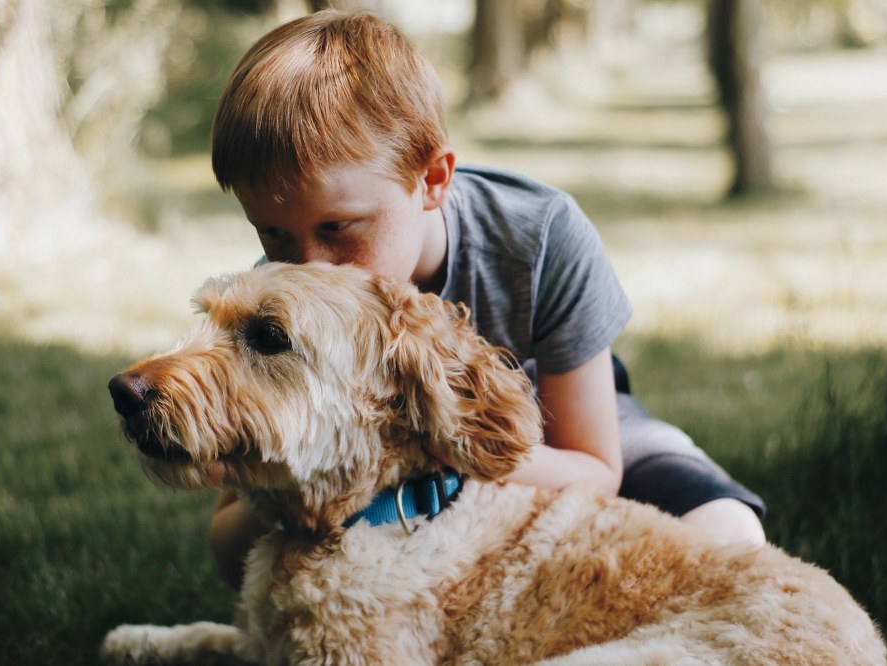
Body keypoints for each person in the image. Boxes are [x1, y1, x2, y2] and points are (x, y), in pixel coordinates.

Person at [207, 10, 766, 588]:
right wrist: (298, 474)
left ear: (432, 180)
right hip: (373, 480)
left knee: (731, 531)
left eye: (338, 229)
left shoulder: (539, 238)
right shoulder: (277, 312)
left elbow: (596, 468)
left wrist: (445, 446)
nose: (307, 267)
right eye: (272, 234)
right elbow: (229, 548)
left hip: (555, 427)